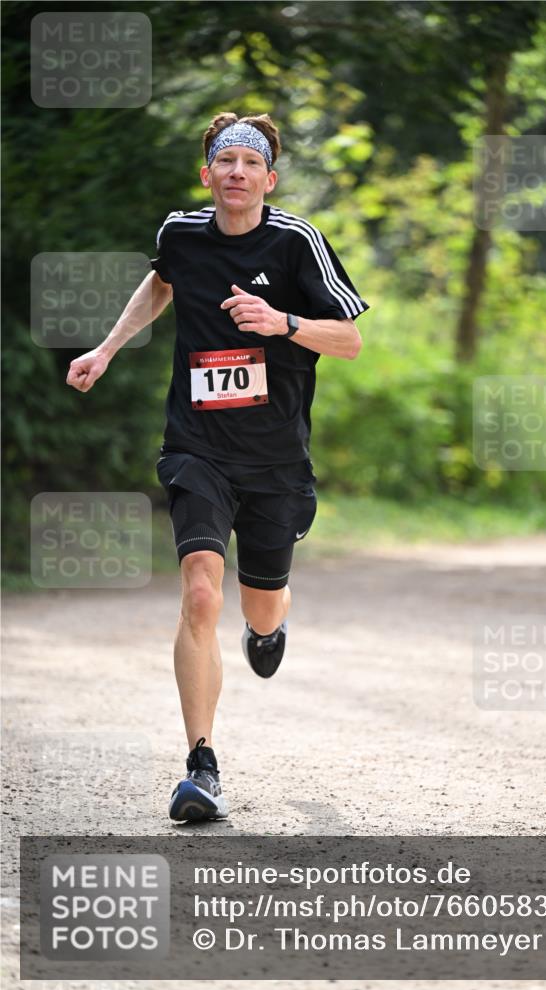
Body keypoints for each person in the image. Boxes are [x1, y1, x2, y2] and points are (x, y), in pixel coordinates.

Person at [66, 112, 369, 822]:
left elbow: (350, 340)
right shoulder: (181, 233)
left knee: (261, 600)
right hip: (197, 446)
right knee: (201, 592)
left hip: (275, 461)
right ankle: (201, 766)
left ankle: (267, 627)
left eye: (249, 162)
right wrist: (108, 349)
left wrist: (281, 323)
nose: (236, 172)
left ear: (269, 177)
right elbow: (161, 283)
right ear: (208, 176)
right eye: (224, 161)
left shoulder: (296, 243)